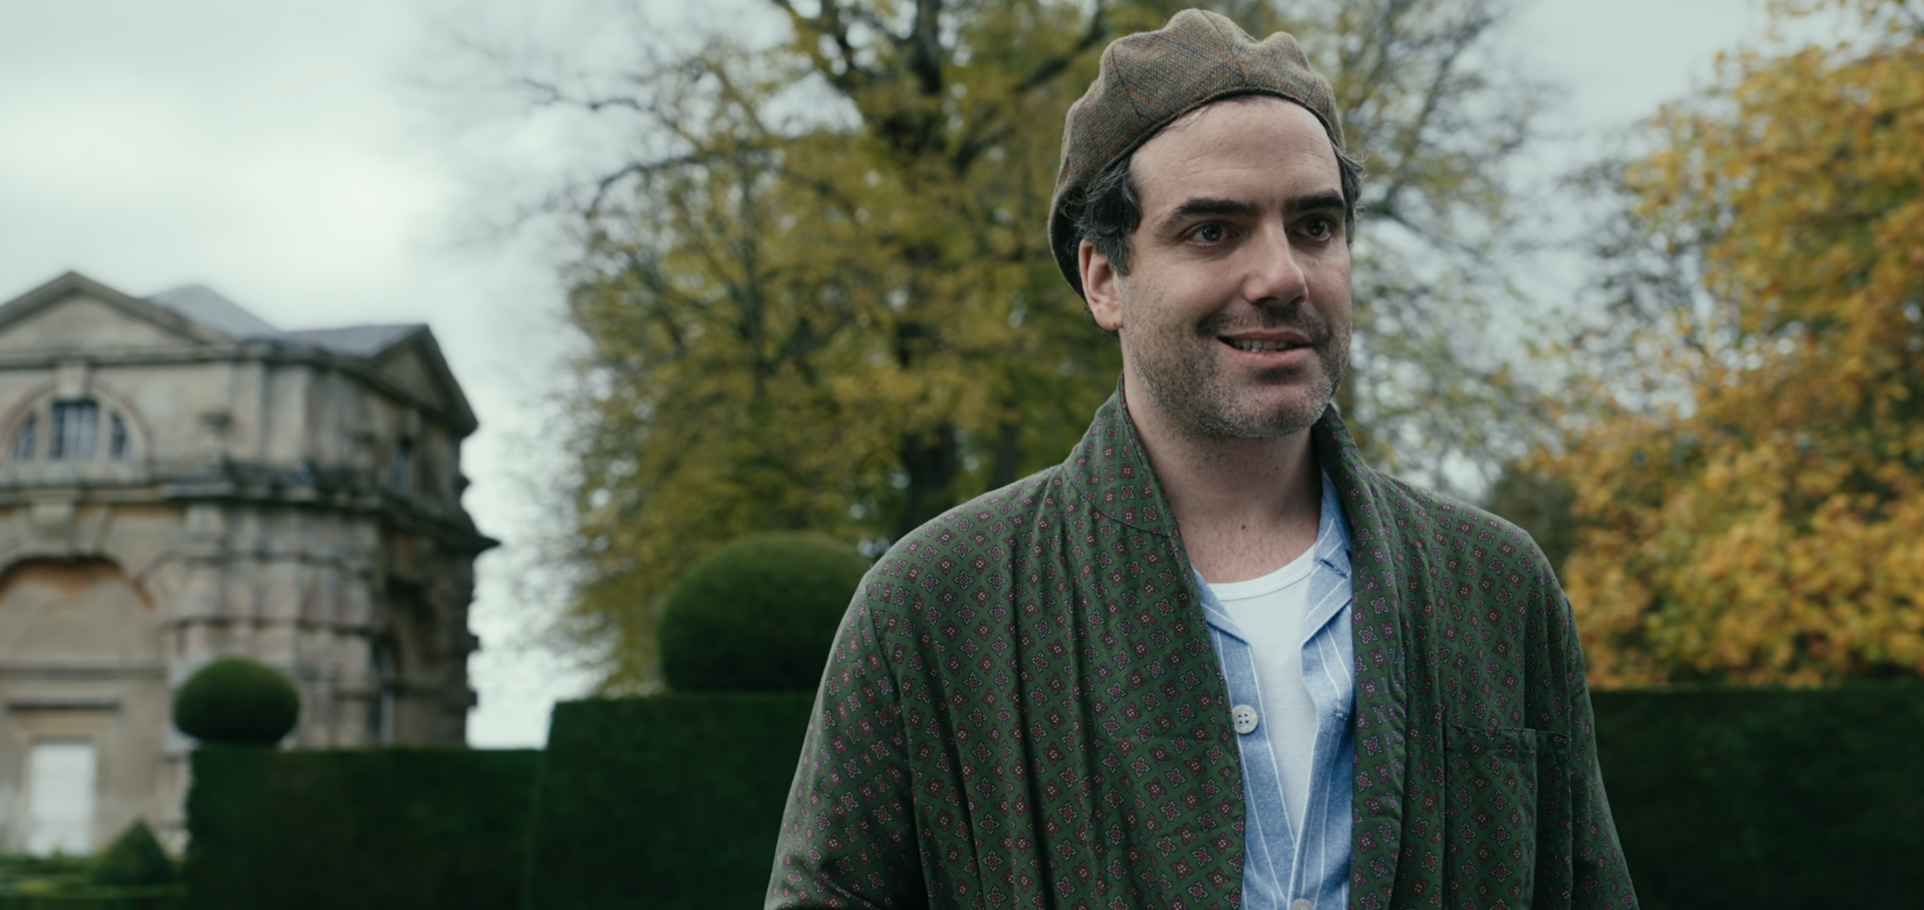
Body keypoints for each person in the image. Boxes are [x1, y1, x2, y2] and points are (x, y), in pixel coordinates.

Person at [768, 9, 1636, 909]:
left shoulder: (1494, 588)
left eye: (1315, 226)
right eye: (1212, 231)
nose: (1283, 275)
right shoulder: (939, 603)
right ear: (1105, 275)